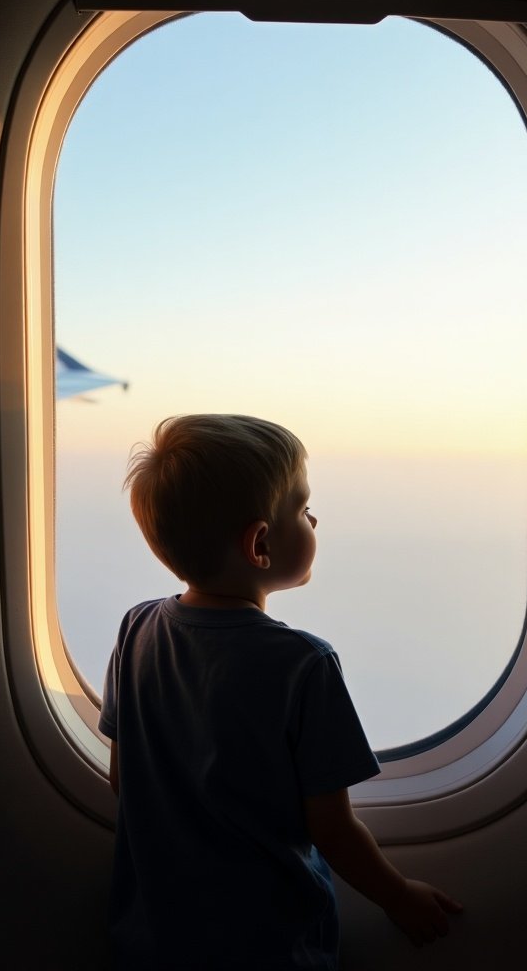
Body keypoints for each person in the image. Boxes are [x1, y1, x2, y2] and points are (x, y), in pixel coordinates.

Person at [99, 414, 462, 969]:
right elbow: (333, 829)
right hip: (268, 947)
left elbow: (124, 779)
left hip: (150, 939)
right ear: (260, 544)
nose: (314, 519)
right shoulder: (304, 665)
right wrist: (398, 895)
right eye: (302, 508)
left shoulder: (136, 629)